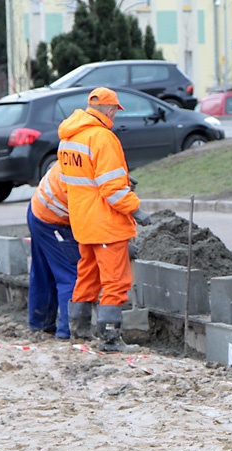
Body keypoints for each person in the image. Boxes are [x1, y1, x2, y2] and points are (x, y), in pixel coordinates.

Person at [57, 87, 153, 352]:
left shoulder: (69, 137)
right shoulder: (102, 137)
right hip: (106, 225)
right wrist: (136, 210)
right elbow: (111, 189)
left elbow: (72, 183)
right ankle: (110, 340)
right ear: (110, 110)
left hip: (83, 222)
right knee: (115, 281)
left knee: (86, 277)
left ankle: (79, 333)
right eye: (115, 112)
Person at [26, 161, 79, 339]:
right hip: (54, 219)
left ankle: (40, 323)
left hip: (39, 208)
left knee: (45, 271)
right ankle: (67, 331)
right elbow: (91, 220)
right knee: (71, 275)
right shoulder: (100, 147)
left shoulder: (77, 141)